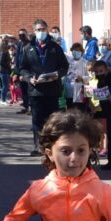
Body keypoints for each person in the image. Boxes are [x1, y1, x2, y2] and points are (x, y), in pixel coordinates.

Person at [17, 19, 69, 155]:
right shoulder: (28, 48)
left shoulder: (55, 47)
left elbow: (64, 66)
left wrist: (57, 75)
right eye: (38, 30)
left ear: (47, 30)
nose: (41, 32)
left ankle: (54, 147)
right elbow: (22, 69)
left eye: (43, 29)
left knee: (54, 121)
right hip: (36, 91)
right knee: (37, 121)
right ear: (34, 31)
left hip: (53, 90)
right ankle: (39, 147)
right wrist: (29, 78)